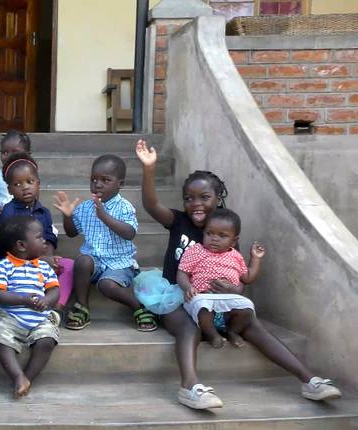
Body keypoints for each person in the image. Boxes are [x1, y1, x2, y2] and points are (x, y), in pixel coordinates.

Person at [135, 139, 342, 409]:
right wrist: (149, 169)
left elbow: (238, 277)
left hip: (220, 302)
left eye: (204, 197)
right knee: (188, 327)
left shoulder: (226, 231)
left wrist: (234, 292)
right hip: (181, 297)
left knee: (254, 325)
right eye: (189, 198)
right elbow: (151, 206)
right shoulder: (180, 221)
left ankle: (309, 380)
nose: (195, 204)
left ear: (218, 198)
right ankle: (190, 386)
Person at [53, 155, 148, 331]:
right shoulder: (86, 207)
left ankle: (138, 306)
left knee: (106, 285)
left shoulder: (124, 207)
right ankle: (82, 307)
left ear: (120, 184)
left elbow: (129, 233)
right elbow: (72, 233)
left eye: (105, 180)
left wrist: (104, 216)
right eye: (94, 179)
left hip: (119, 264)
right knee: (82, 261)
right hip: (94, 262)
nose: (98, 184)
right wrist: (67, 217)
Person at [0, 215, 60, 399]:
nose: (44, 240)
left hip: (39, 319)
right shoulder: (4, 265)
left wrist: (47, 300)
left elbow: (54, 290)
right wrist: (22, 299)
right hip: (10, 316)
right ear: (21, 245)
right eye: (39, 237)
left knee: (47, 340)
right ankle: (17, 375)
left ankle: (26, 378)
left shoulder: (44, 267)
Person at [0, 153, 73, 315]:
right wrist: (40, 260)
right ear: (10, 190)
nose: (25, 187)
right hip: (17, 263)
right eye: (18, 184)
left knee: (68, 266)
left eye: (30, 182)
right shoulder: (9, 211)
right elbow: (10, 244)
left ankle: (56, 308)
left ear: (38, 184)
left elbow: (48, 236)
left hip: (42, 262)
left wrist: (50, 258)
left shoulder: (44, 212)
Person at [178, 209, 262, 349]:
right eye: (209, 233)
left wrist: (256, 258)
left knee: (247, 309)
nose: (214, 238)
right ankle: (211, 334)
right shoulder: (196, 251)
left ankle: (232, 331)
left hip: (229, 302)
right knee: (203, 309)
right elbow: (182, 273)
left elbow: (247, 278)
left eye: (222, 235)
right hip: (203, 298)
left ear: (234, 240)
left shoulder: (236, 256)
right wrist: (187, 287)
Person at [0, 130, 31, 208]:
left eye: (15, 152)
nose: (9, 156)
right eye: (5, 152)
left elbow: (34, 201)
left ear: (27, 155)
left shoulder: (30, 175)